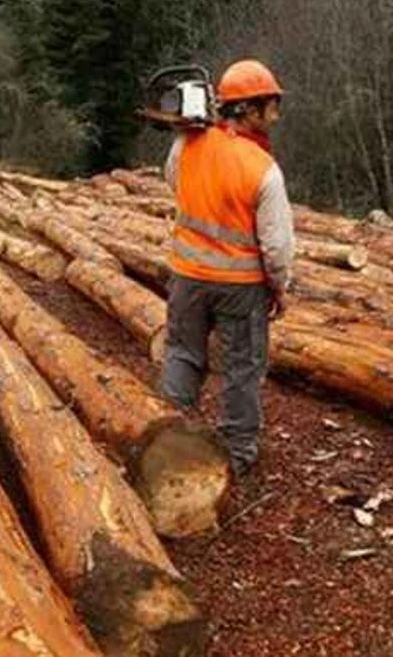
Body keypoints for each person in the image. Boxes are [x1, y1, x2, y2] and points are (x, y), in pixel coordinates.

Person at [159, 58, 296, 477]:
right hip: (241, 286)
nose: (275, 113)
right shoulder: (263, 169)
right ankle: (237, 454)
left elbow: (173, 181)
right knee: (242, 369)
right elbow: (276, 246)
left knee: (183, 354)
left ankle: (166, 435)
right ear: (249, 110)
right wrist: (280, 286)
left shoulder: (188, 143)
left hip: (186, 278)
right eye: (270, 105)